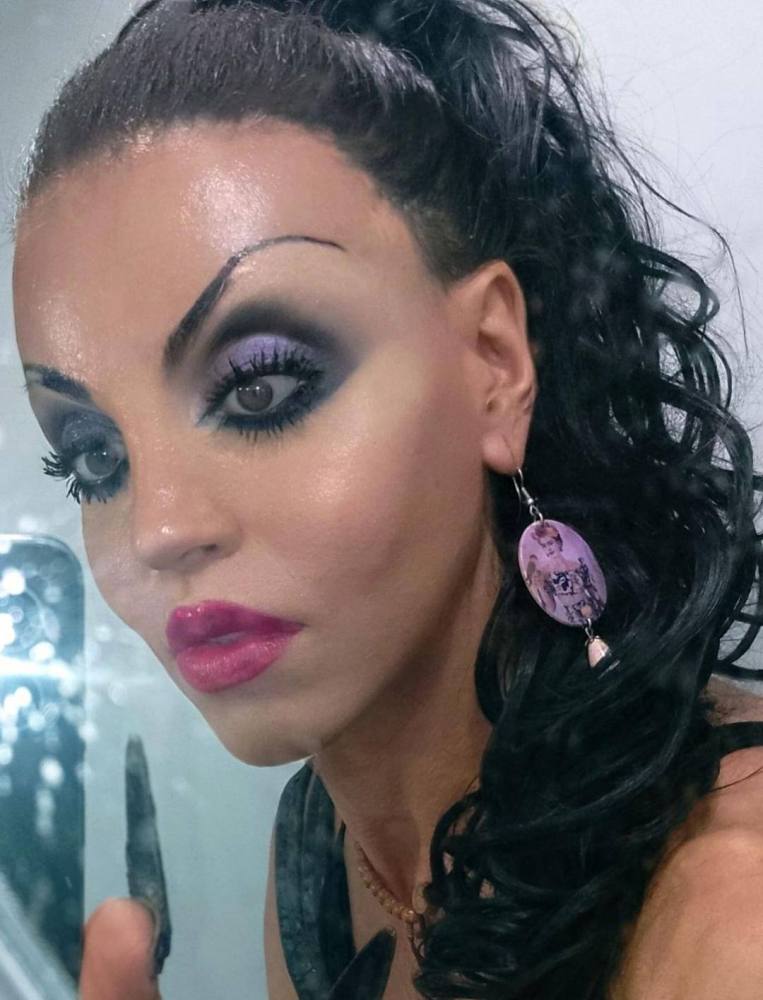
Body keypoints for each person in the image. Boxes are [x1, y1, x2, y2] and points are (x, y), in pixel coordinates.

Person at [10, 0, 763, 997]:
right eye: (97, 458)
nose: (157, 529)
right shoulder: (320, 847)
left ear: (492, 363)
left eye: (261, 389)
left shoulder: (731, 915)